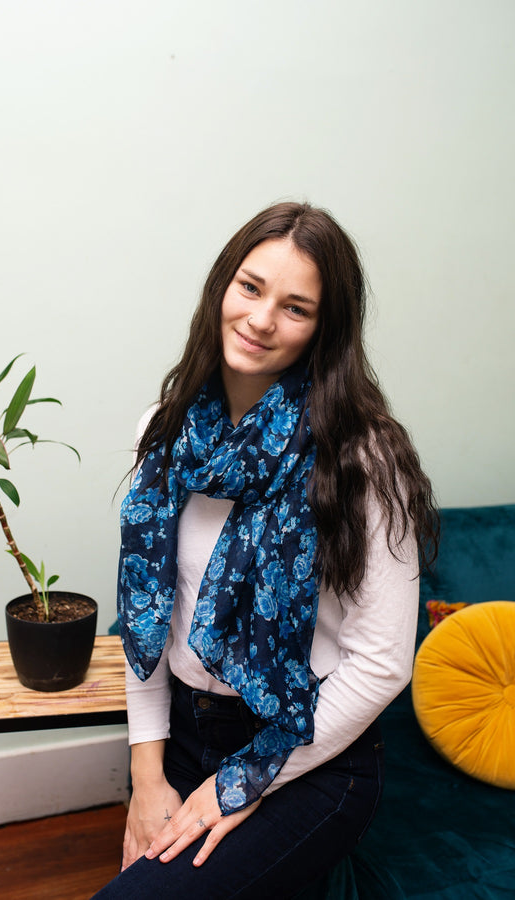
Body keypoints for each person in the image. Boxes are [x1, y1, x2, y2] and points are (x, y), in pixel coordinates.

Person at [91, 202, 438, 899]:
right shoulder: (162, 433)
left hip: (309, 754)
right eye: (250, 287)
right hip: (183, 736)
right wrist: (149, 778)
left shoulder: (364, 455)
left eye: (296, 307)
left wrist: (243, 781)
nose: (259, 319)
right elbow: (149, 618)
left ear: (324, 329)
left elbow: (381, 663)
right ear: (223, 285)